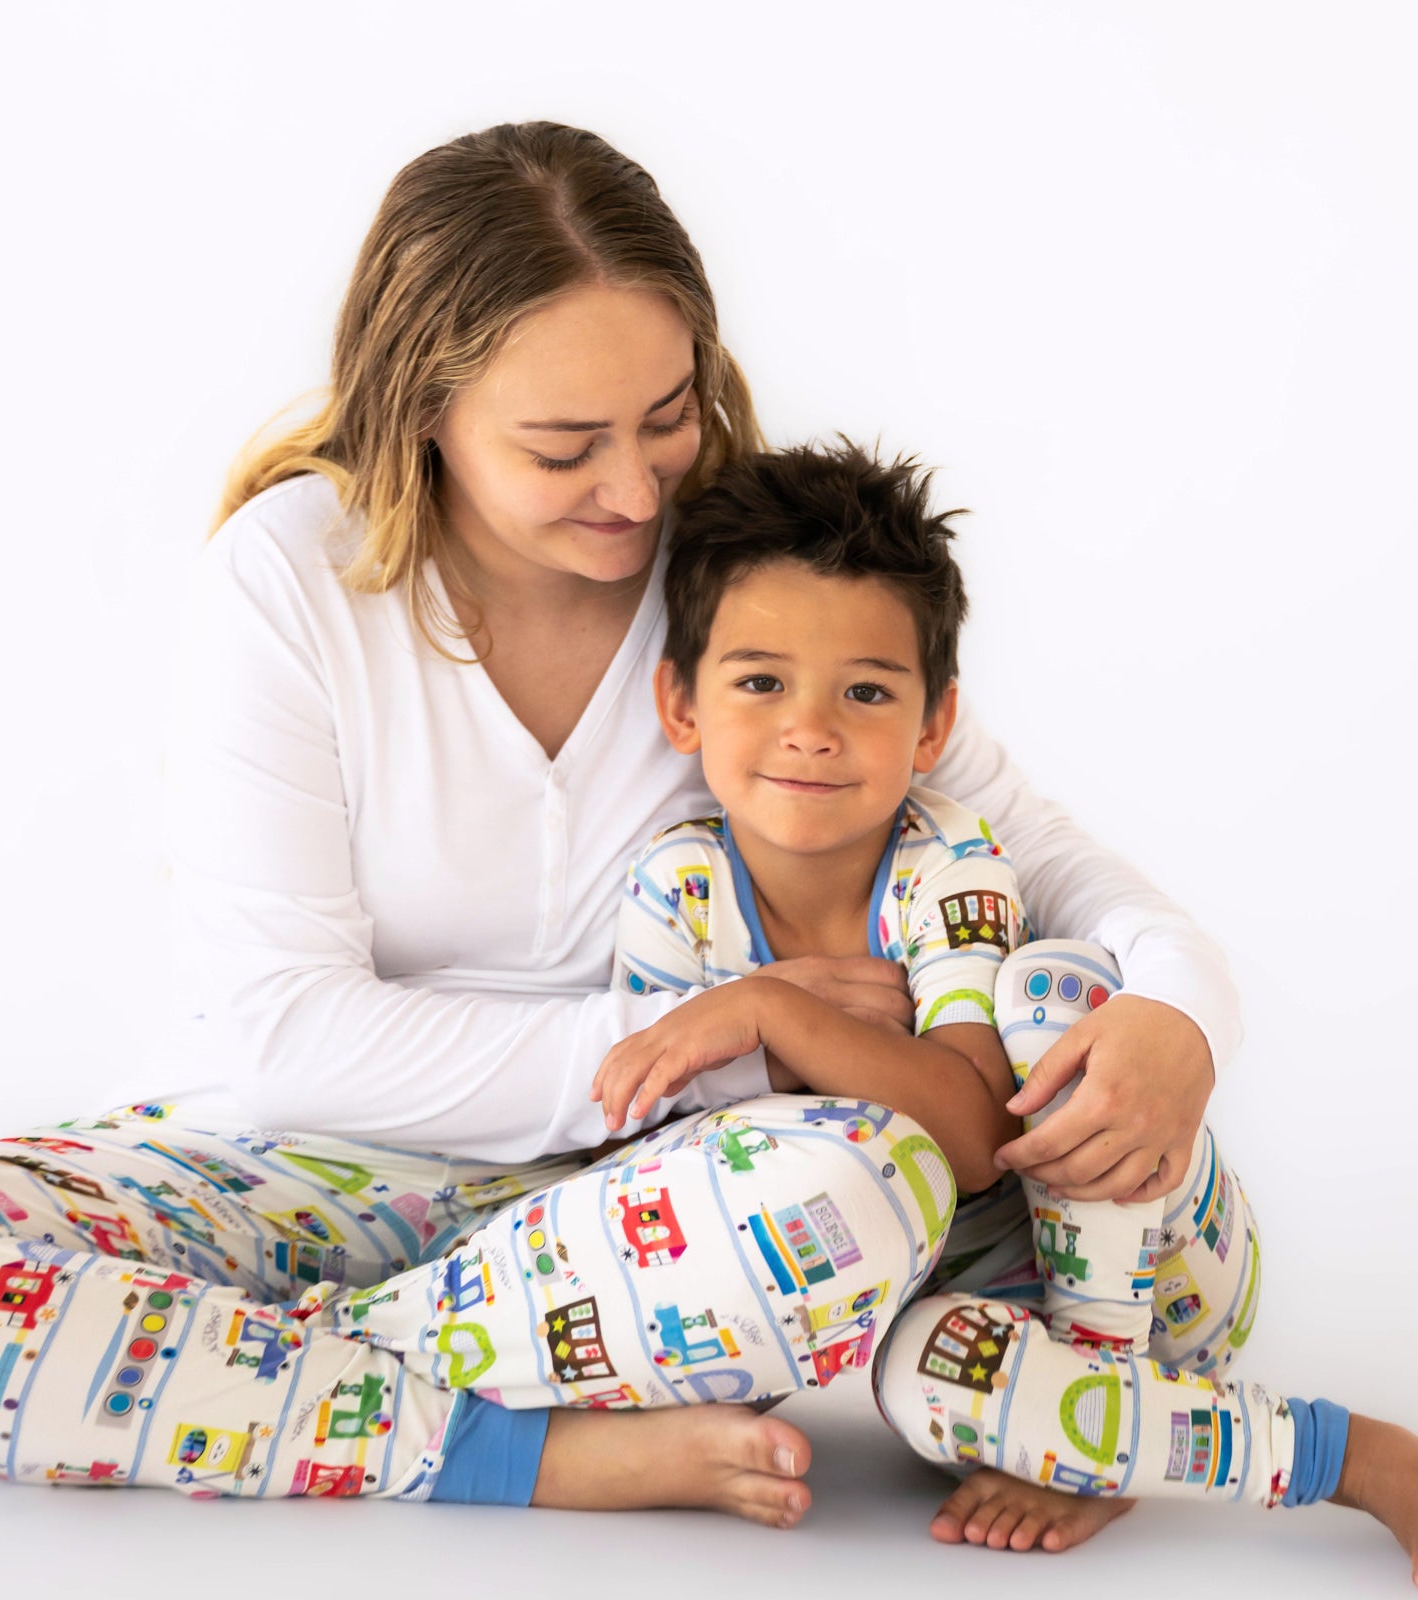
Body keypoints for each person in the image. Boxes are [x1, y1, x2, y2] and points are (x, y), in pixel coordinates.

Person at [0, 121, 1234, 1542]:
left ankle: (230, 1366)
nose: (636, 492)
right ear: (420, 409)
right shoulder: (291, 580)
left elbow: (1036, 853)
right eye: (563, 446)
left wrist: (1180, 1007)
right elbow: (285, 1032)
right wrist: (716, 1036)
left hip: (663, 1211)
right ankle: (514, 1443)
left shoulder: (742, 574)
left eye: (667, 417)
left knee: (864, 1186)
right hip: (311, 1159)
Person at [596, 436, 1418, 1571]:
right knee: (910, 1387)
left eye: (867, 691)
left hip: (1152, 1251)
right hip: (971, 1320)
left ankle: (1339, 1453)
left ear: (931, 728)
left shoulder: (949, 863)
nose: (811, 726)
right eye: (759, 681)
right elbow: (675, 1150)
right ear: (678, 703)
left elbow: (979, 1134)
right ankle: (1106, 1439)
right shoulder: (671, 890)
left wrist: (772, 1014)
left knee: (1050, 989)